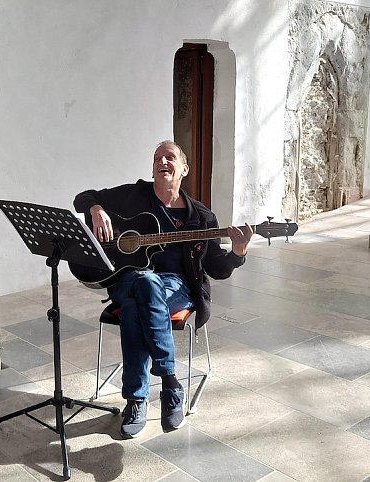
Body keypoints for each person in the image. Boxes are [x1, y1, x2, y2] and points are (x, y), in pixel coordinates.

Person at [73, 140, 253, 438]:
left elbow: (217, 269)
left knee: (135, 306)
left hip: (176, 286)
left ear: (184, 168)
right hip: (127, 278)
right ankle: (170, 383)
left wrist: (238, 251)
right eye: (157, 158)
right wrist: (96, 209)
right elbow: (83, 196)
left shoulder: (202, 218)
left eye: (169, 157)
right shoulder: (135, 195)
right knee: (143, 281)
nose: (162, 162)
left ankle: (136, 399)